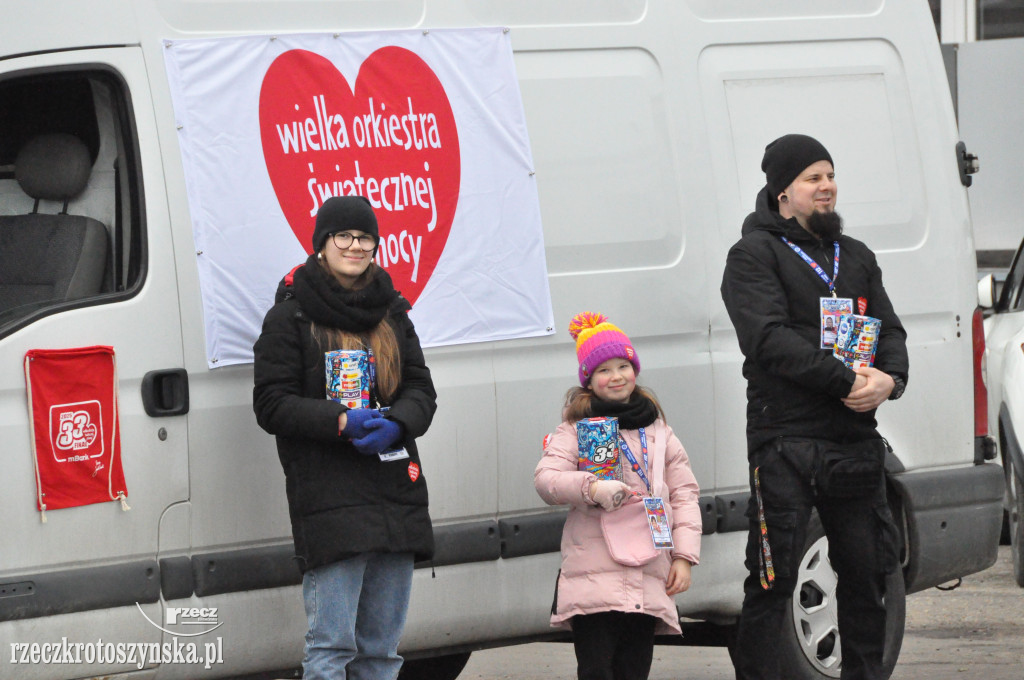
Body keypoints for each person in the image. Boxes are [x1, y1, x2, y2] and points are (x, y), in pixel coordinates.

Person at [720, 134, 909, 680]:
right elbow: (769, 340)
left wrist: (889, 380)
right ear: (783, 192)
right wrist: (845, 379)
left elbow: (890, 331)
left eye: (829, 175)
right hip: (786, 441)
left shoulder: (856, 256)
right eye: (812, 178)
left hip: (852, 440)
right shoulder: (753, 255)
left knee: (867, 572)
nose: (826, 187)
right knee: (772, 580)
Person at [253, 195, 436, 680]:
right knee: (332, 649)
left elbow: (421, 389)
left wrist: (398, 422)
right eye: (344, 236)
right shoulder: (289, 318)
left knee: (381, 652)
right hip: (328, 498)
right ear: (321, 245)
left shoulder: (393, 313)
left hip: (394, 492)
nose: (356, 246)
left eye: (365, 237)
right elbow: (271, 404)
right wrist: (340, 421)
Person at [534, 312, 702, 680]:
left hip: (649, 572)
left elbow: (685, 494)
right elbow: (547, 480)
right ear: (589, 380)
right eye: (604, 370)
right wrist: (591, 488)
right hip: (593, 575)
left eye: (623, 365)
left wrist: (684, 557)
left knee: (633, 670)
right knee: (596, 670)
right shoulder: (576, 429)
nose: (616, 376)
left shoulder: (660, 432)